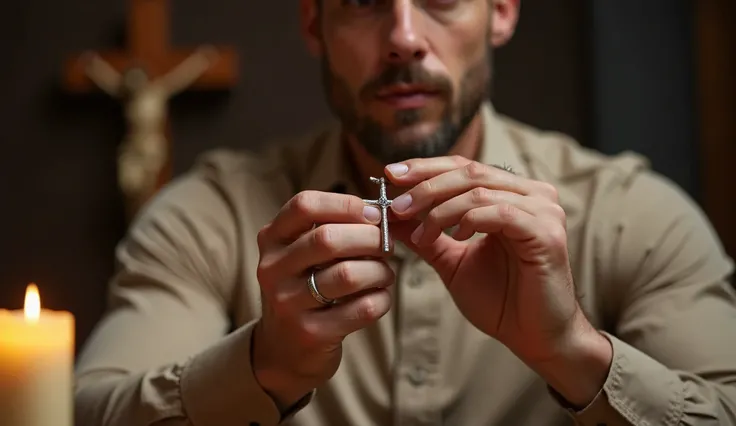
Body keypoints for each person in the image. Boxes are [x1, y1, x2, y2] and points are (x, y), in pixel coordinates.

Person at [73, 0, 736, 425]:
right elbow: (82, 413)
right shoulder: (208, 215)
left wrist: (570, 352)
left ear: (501, 11)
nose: (404, 38)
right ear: (314, 25)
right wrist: (267, 364)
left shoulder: (634, 216)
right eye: (364, 3)